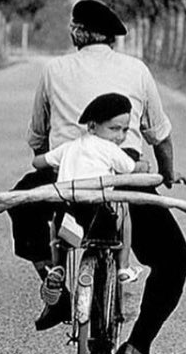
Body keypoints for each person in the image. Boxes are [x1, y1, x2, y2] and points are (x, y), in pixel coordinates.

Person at [9, 0, 186, 354]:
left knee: (21, 204)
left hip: (67, 181)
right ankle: (139, 348)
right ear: (113, 37)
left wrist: (54, 159)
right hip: (122, 182)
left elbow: (37, 138)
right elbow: (159, 134)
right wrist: (167, 173)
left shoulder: (54, 70)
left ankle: (53, 282)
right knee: (175, 262)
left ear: (76, 32)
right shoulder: (137, 70)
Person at [31, 91, 149, 296]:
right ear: (92, 126)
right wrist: (144, 166)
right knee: (125, 210)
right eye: (114, 129)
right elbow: (129, 168)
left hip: (68, 217)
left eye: (124, 131)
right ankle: (124, 266)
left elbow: (37, 162)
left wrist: (57, 165)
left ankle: (58, 266)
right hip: (100, 216)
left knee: (56, 227)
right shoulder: (111, 149)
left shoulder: (69, 147)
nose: (119, 136)